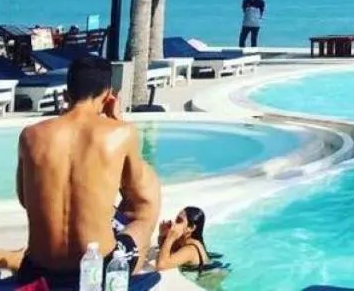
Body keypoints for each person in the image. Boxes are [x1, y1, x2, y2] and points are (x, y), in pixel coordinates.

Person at [13, 55, 161, 286]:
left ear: (66, 94)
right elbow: (139, 194)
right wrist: (117, 120)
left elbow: (25, 200)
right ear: (109, 95)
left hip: (37, 271)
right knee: (145, 216)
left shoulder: (30, 135)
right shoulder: (122, 133)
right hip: (94, 272)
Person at [154, 206, 210, 273]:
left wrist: (170, 237)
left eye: (179, 221)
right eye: (176, 219)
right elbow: (164, 252)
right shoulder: (182, 240)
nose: (173, 223)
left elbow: (161, 266)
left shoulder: (191, 249)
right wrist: (162, 235)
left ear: (190, 228)